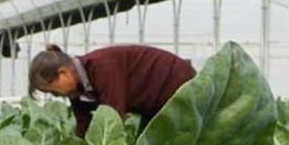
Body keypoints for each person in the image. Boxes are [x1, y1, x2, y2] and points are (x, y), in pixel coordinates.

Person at [25, 39, 195, 134]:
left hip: (177, 85)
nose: (56, 95)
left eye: (53, 89)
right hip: (153, 105)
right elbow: (83, 125)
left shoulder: (102, 67)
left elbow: (113, 118)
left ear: (64, 74)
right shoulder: (79, 91)